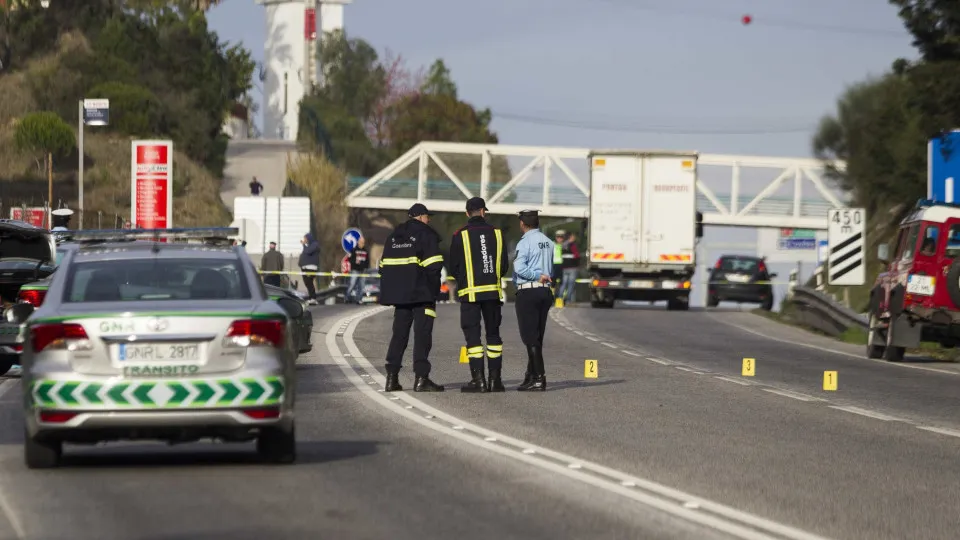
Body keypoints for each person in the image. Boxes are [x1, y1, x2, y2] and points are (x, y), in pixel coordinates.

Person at [379, 203, 445, 393]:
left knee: (399, 336)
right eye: (427, 216)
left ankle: (391, 379)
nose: (429, 219)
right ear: (420, 217)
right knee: (422, 335)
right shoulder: (427, 235)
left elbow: (383, 266)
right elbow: (434, 266)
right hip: (422, 295)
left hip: (400, 297)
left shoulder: (393, 237)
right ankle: (421, 379)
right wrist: (433, 292)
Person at [449, 197, 509, 393]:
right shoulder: (498, 234)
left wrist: (465, 282)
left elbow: (453, 267)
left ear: (467, 213)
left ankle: (479, 381)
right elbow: (504, 266)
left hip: (469, 296)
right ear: (483, 212)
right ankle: (495, 381)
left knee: (473, 338)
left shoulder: (460, 235)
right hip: (492, 294)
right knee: (494, 336)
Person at [513, 210, 555, 391]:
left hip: (529, 292)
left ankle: (539, 378)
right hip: (545, 293)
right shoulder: (548, 241)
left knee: (529, 337)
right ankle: (530, 376)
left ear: (522, 223)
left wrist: (536, 276)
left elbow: (519, 267)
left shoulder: (525, 242)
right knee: (537, 337)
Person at [558, 232, 581, 304]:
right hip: (572, 268)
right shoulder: (573, 245)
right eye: (573, 236)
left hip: (564, 268)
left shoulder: (563, 245)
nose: (574, 238)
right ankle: (568, 300)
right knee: (571, 284)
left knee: (564, 284)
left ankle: (559, 299)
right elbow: (577, 256)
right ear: (570, 237)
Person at [346, 236, 370, 303]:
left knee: (361, 286)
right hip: (355, 270)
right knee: (352, 284)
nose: (362, 244)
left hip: (363, 271)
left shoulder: (365, 251)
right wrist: (355, 262)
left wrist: (366, 267)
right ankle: (347, 298)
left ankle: (359, 299)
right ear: (358, 242)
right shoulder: (354, 250)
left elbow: (367, 261)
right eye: (361, 242)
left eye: (363, 242)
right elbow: (349, 259)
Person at [298, 233, 320, 303]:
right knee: (307, 283)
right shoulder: (309, 246)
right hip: (305, 267)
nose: (304, 240)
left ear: (309, 238)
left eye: (305, 239)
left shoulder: (314, 244)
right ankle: (311, 297)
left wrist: (303, 245)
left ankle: (313, 298)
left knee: (309, 282)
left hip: (310, 268)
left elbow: (308, 251)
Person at [552, 230, 565, 294]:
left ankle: (561, 297)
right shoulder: (552, 244)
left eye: (561, 237)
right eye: (558, 237)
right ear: (556, 237)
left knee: (562, 282)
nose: (559, 238)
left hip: (562, 265)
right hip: (554, 265)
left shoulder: (564, 245)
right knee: (553, 282)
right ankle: (551, 296)